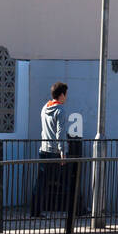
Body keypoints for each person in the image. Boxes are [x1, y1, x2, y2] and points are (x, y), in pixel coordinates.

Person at [31, 82, 70, 217]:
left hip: (44, 149)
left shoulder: (44, 108)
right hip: (55, 152)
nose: (66, 97)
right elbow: (60, 133)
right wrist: (63, 153)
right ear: (61, 95)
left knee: (41, 181)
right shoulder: (60, 111)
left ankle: (35, 211)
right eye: (66, 94)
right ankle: (76, 210)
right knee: (66, 180)